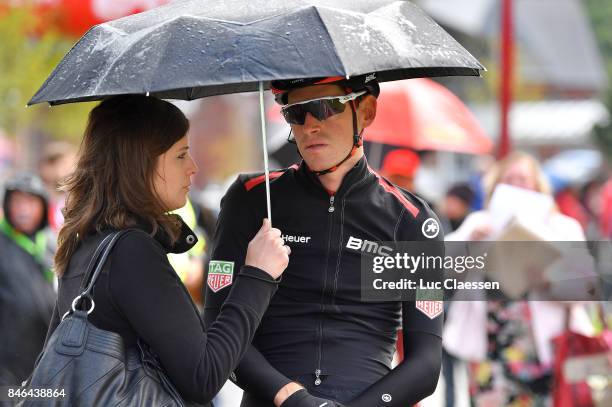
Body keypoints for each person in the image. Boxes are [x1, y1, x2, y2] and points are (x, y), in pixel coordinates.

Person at [204, 74, 444, 407]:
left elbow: (426, 364)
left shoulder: (411, 221)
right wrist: (294, 399)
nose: (309, 126)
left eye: (324, 108)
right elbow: (217, 329)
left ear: (367, 110)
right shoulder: (252, 199)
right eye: (295, 113)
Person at [44, 95, 291, 406]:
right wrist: (258, 275)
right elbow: (204, 376)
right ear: (141, 163)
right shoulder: (131, 252)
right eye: (180, 155)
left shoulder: (88, 240)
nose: (193, 167)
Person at [444, 151, 593, 407]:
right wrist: (468, 244)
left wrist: (550, 280)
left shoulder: (563, 227)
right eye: (509, 179)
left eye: (523, 179)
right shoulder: (479, 224)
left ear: (537, 185)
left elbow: (587, 289)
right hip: (488, 347)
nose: (516, 186)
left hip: (544, 350)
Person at [0, 172, 56, 385]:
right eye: (17, 202)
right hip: (7, 363)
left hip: (46, 359)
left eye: (31, 202)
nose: (24, 209)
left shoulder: (54, 243)